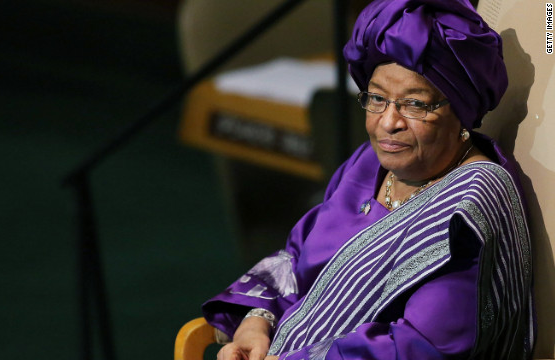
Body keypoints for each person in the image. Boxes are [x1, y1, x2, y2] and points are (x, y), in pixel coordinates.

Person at [202, 0, 534, 359]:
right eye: (377, 98)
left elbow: (423, 347)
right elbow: (297, 257)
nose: (387, 123)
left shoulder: (470, 205)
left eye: (415, 104)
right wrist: (257, 321)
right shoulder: (368, 164)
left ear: (461, 112)